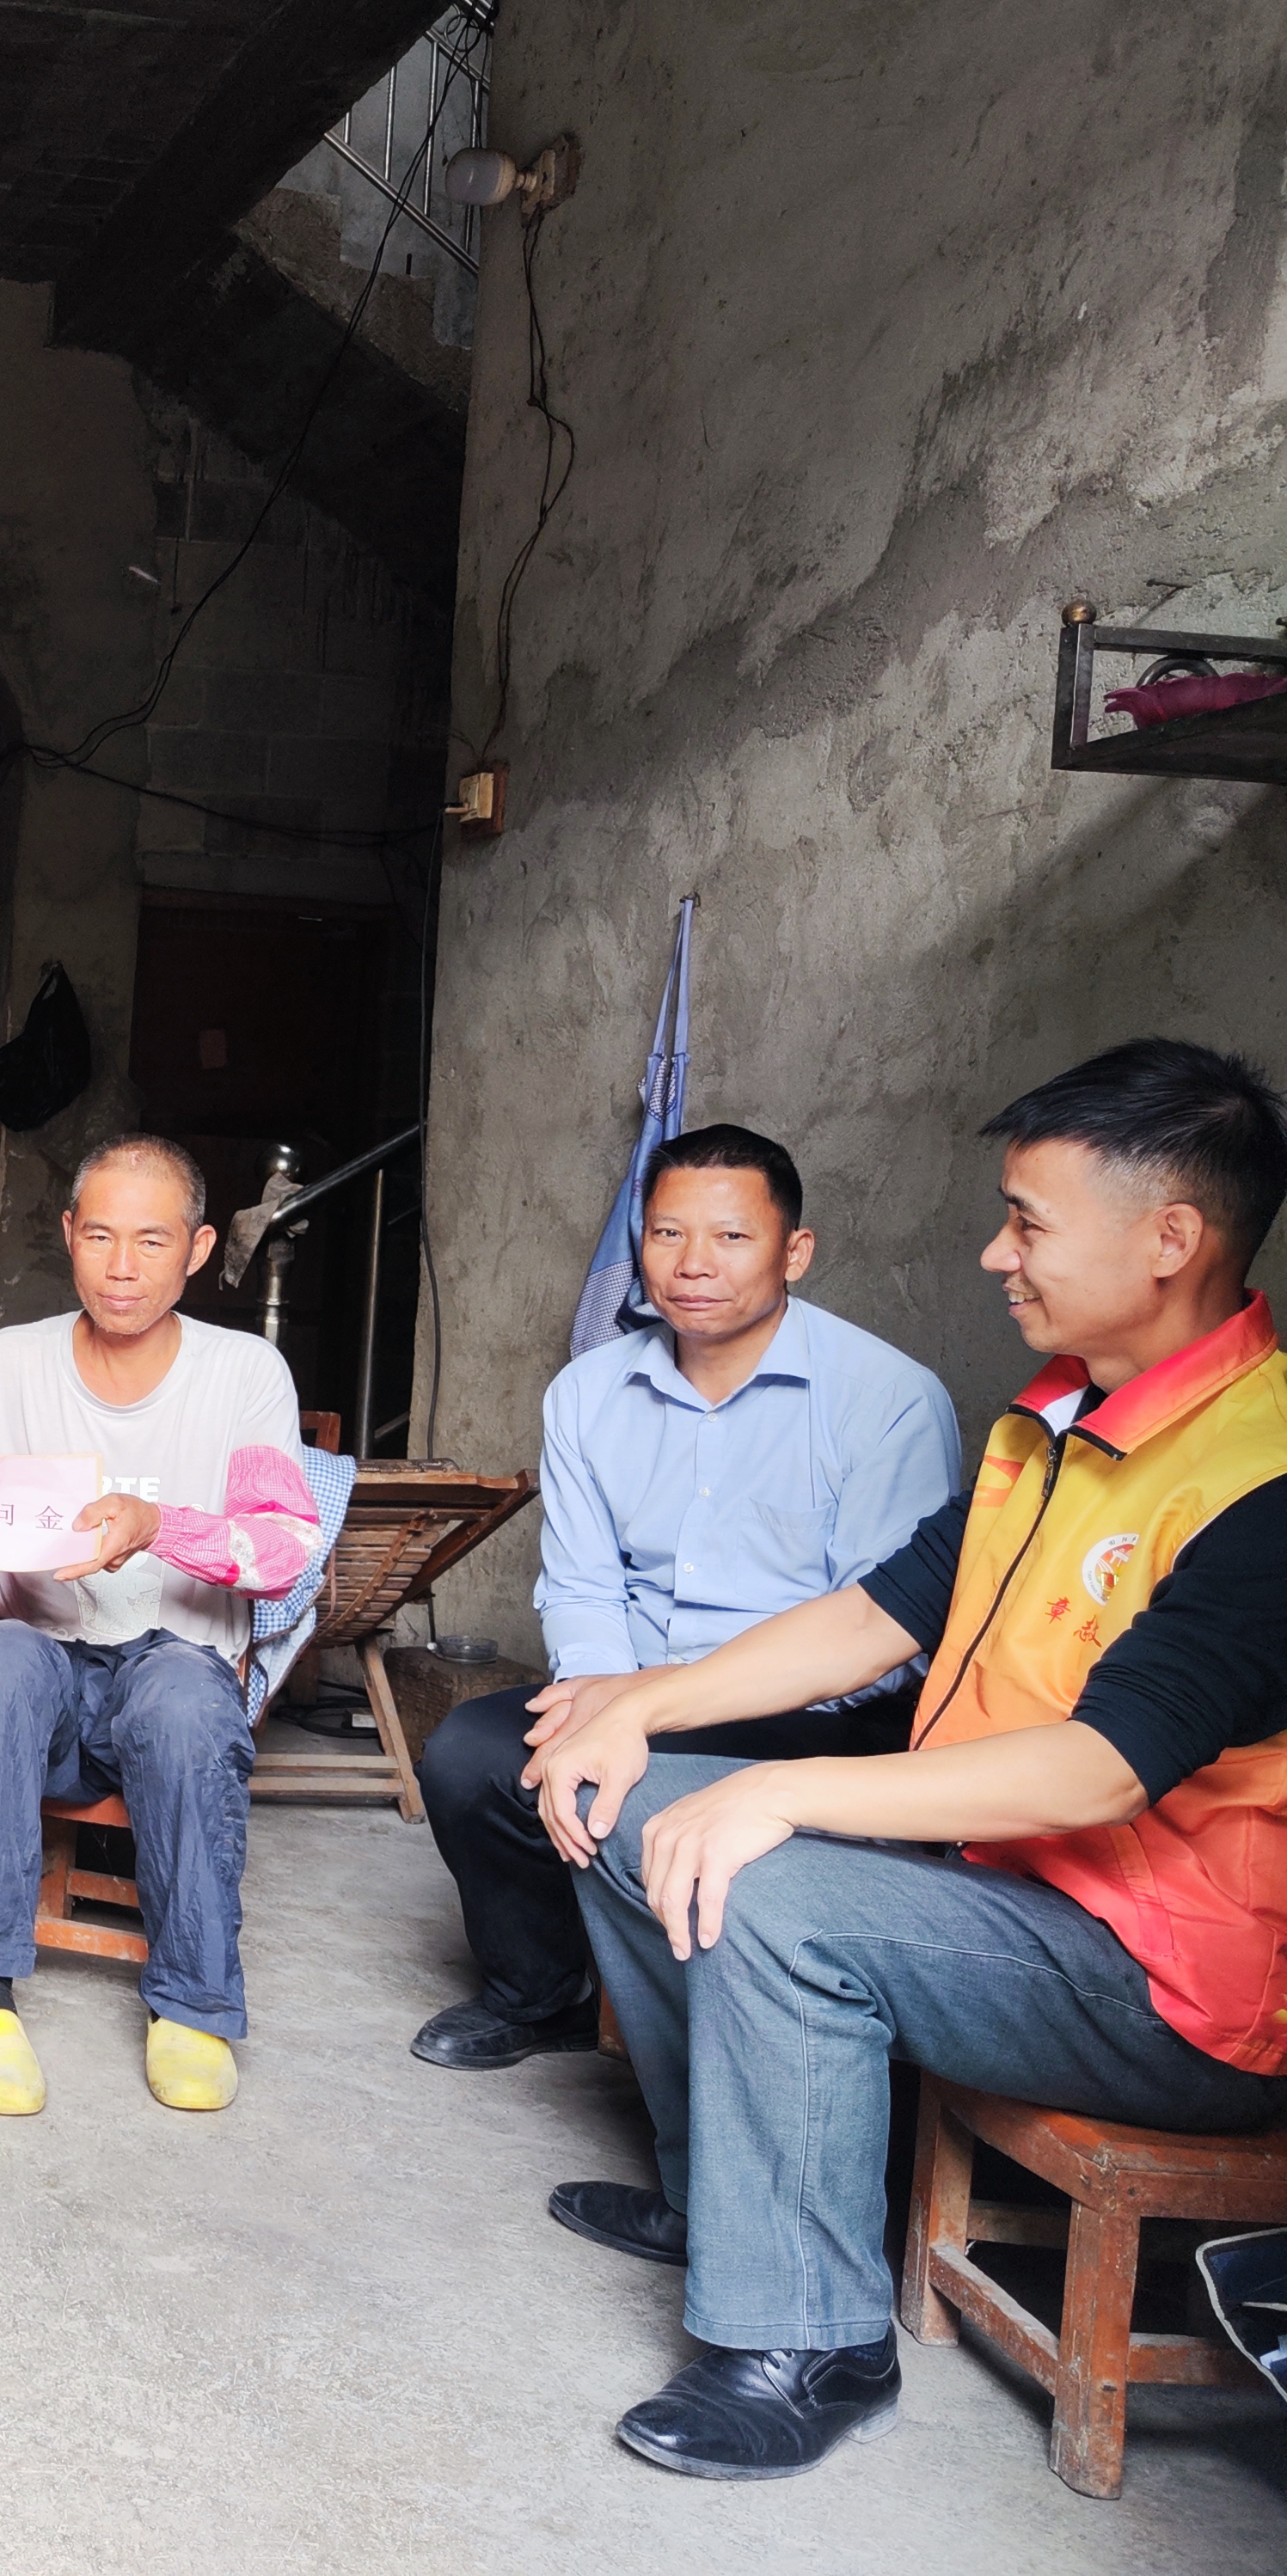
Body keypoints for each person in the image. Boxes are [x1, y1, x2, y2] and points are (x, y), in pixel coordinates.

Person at [526, 1039, 1287, 2479]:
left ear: (1170, 1239)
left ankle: (813, 2343)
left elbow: (1106, 1771)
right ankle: (716, 2200)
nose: (997, 1254)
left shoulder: (1263, 1472)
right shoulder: (1056, 1421)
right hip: (1008, 1890)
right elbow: (870, 1615)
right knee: (622, 1802)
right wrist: (639, 1709)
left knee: (773, 1886)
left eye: (1028, 1223)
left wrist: (783, 1787)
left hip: (1163, 1979)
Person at [409, 1127, 961, 2069]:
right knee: (470, 1755)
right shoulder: (588, 1393)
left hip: (812, 1707)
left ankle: (711, 2037)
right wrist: (594, 1701)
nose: (693, 1264)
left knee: (639, 1785)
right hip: (627, 1685)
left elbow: (885, 1635)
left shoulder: (887, 1398)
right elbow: (584, 1583)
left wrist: (654, 1705)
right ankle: (541, 1993)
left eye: (731, 1238)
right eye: (667, 1234)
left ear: (795, 1252)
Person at [0, 1135, 320, 2119]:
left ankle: (191, 2007)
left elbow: (284, 1550)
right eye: (99, 1235)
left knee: (183, 1702)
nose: (121, 1266)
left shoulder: (244, 1373)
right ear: (68, 1235)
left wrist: (156, 1526)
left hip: (172, 1665)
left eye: (151, 1240)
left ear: (197, 1249)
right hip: (38, 1671)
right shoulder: (9, 1362)